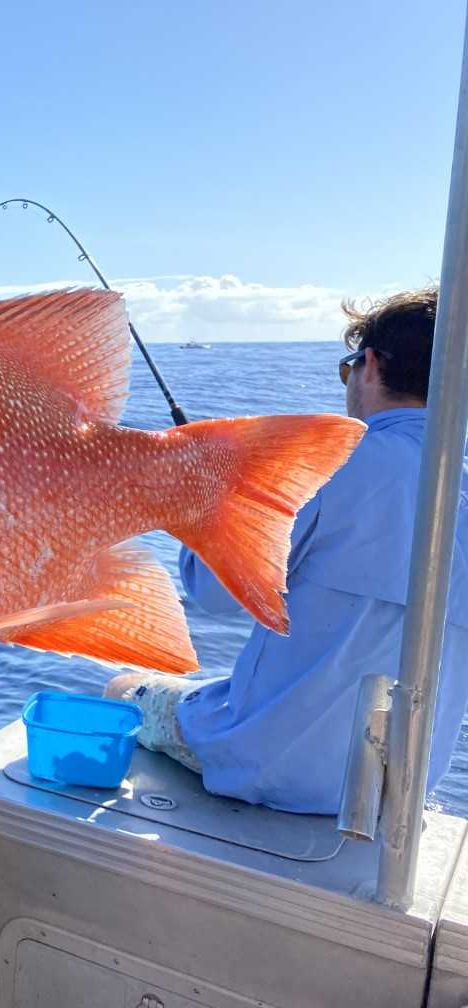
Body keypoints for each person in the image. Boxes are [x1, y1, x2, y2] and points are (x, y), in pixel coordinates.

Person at [107, 287, 468, 814]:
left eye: (347, 372)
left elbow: (215, 594)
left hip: (266, 770)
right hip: (398, 792)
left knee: (122, 685)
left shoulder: (323, 463)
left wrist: (203, 513)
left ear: (368, 365)